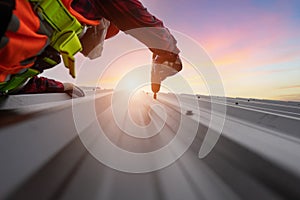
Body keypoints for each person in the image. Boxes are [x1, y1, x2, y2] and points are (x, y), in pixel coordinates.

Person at [0, 0, 182, 97]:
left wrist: (60, 86)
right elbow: (131, 13)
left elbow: (15, 84)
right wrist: (169, 52)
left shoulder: (43, 48)